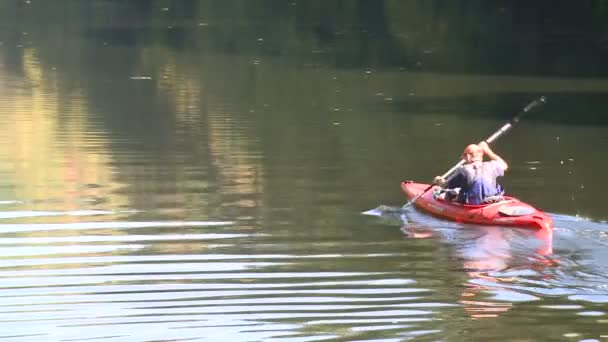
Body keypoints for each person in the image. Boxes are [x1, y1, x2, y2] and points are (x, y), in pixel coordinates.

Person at [433, 142, 508, 205]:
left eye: (464, 155)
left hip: (473, 204)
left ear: (468, 156)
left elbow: (446, 185)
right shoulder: (492, 165)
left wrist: (438, 180)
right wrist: (487, 150)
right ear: (482, 154)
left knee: (449, 193)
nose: (463, 158)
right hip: (493, 200)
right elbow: (504, 165)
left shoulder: (462, 169)